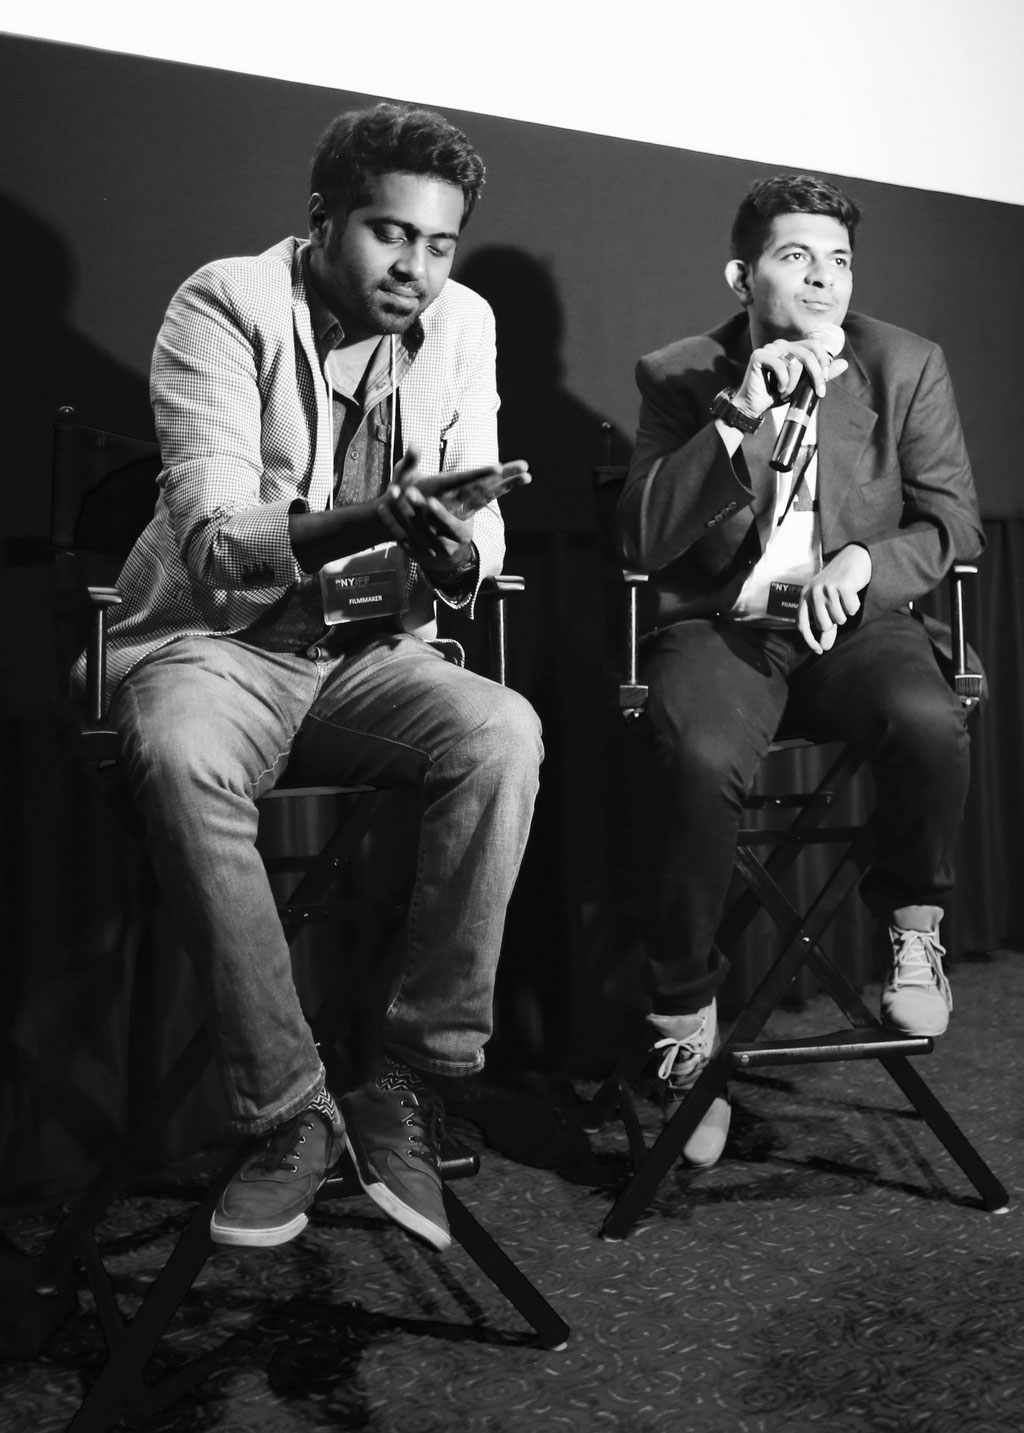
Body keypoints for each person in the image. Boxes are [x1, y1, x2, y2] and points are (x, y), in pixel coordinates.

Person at [73, 103, 543, 1254]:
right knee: (183, 754)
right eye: (391, 234)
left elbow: (481, 528)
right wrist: (378, 515)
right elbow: (217, 541)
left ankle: (414, 1079)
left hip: (364, 657)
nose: (417, 268)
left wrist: (457, 549)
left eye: (440, 244)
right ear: (323, 219)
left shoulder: (464, 321)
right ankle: (291, 1111)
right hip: (213, 645)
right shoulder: (225, 303)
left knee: (503, 731)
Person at [618, 173, 982, 1168]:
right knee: (698, 755)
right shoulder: (680, 375)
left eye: (839, 260)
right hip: (726, 628)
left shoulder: (903, 363)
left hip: (856, 626)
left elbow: (954, 520)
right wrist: (738, 414)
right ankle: (684, 1012)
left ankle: (913, 918)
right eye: (796, 256)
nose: (824, 278)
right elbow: (644, 538)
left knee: (929, 719)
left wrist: (866, 561)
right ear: (741, 277)